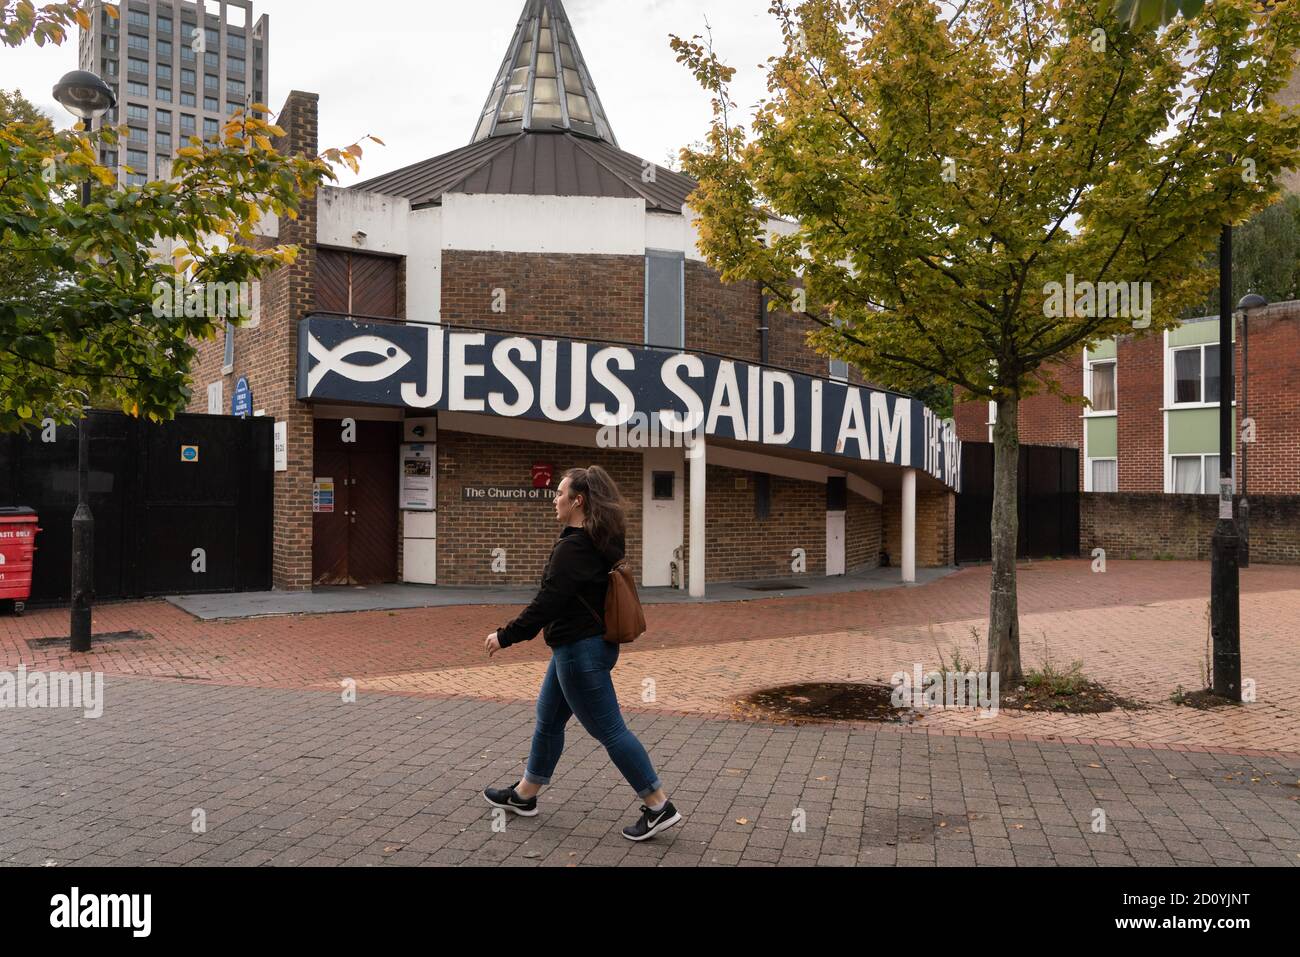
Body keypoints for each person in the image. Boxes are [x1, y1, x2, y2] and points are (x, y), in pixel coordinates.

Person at [482, 465, 682, 841]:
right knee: (548, 720)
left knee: (609, 730)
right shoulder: (599, 538)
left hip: (579, 653)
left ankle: (658, 805)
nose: (554, 499)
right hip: (586, 647)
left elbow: (548, 603)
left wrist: (505, 636)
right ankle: (526, 795)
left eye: (560, 493)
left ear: (578, 500)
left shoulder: (574, 547)